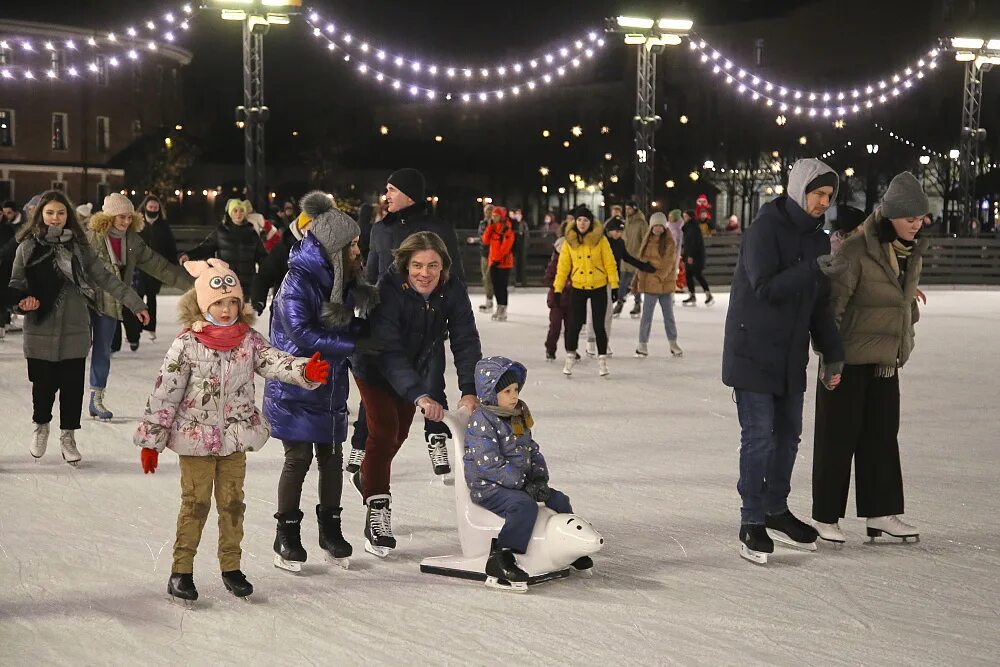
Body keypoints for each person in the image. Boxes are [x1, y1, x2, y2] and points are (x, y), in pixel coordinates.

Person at [134, 258, 330, 603]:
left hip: (235, 438)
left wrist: (305, 370)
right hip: (195, 440)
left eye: (232, 302)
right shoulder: (187, 344)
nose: (226, 310)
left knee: (232, 504)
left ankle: (231, 568)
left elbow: (274, 360)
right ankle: (181, 572)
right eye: (218, 303)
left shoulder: (248, 340)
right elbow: (165, 392)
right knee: (194, 504)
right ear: (203, 304)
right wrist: (152, 440)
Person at [722, 158, 845, 565]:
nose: (823, 203)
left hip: (791, 355)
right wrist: (810, 269)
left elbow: (819, 304)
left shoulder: (817, 239)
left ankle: (776, 509)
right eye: (819, 194)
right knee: (758, 437)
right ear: (799, 189)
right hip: (753, 351)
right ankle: (751, 519)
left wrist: (833, 353)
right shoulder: (764, 230)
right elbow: (763, 288)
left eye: (829, 197)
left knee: (789, 437)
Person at [263, 191, 380, 572]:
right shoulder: (297, 281)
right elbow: (302, 335)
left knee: (331, 459)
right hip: (297, 383)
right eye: (354, 244)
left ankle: (330, 530)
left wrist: (368, 328)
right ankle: (287, 535)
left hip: (329, 383)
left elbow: (345, 323)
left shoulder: (340, 277)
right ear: (335, 247)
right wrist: (357, 342)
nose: (359, 250)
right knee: (297, 459)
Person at [350, 231, 482, 558]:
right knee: (382, 433)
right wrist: (420, 395)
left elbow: (465, 340)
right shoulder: (388, 290)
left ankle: (367, 476)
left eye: (433, 265)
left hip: (415, 366)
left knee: (397, 436)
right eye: (418, 265)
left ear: (443, 266)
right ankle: (378, 507)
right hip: (375, 365)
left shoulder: (452, 290)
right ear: (405, 265)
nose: (425, 273)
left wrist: (469, 389)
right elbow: (390, 351)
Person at [812, 172, 928, 545]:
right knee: (837, 438)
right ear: (891, 216)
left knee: (881, 436)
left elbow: (895, 300)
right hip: (846, 360)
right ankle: (825, 517)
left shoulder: (909, 255)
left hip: (884, 359)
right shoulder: (856, 250)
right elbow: (833, 308)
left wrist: (907, 310)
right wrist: (830, 358)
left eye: (921, 217)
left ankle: (880, 513)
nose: (917, 224)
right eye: (910, 217)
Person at [7, 190, 149, 465]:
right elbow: (15, 283)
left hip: (75, 328)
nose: (55, 218)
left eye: (61, 213)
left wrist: (136, 304)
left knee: (72, 387)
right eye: (50, 213)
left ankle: (68, 436)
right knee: (43, 387)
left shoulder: (81, 249)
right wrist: (20, 303)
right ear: (41, 215)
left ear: (68, 216)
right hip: (40, 327)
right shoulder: (28, 247)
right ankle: (41, 426)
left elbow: (107, 279)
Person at [350, 169, 467, 478]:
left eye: (391, 189)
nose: (386, 196)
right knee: (375, 388)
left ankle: (436, 437)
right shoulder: (380, 230)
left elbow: (454, 278)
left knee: (432, 383)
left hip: (427, 322)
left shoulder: (438, 228)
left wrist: (448, 312)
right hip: (388, 323)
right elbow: (373, 276)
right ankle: (361, 442)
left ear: (408, 193)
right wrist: (364, 310)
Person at [464, 355, 591, 590]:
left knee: (559, 499)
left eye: (515, 390)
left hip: (518, 483)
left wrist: (540, 478)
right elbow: (489, 464)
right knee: (524, 506)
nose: (514, 396)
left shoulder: (516, 416)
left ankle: (568, 545)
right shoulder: (482, 421)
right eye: (507, 392)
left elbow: (531, 450)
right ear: (491, 393)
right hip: (489, 487)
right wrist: (523, 483)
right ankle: (502, 556)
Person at [85, 193, 193, 421]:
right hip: (85, 300)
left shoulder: (132, 241)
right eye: (120, 217)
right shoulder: (92, 238)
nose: (125, 222)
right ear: (109, 217)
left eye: (128, 217)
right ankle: (68, 394)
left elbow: (159, 266)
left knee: (103, 349)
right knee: (77, 350)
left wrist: (194, 286)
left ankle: (96, 398)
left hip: (113, 301)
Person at [553, 206, 618, 377]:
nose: (582, 223)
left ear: (590, 222)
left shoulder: (601, 240)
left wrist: (615, 285)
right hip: (578, 286)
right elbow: (563, 267)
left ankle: (602, 360)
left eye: (586, 220)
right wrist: (558, 289)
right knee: (574, 324)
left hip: (598, 286)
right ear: (575, 221)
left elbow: (610, 263)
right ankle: (570, 356)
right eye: (579, 220)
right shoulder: (569, 241)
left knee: (599, 325)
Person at [587, 218, 652, 356]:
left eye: (621, 231)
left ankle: (604, 343)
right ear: (609, 230)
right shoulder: (599, 241)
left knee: (608, 314)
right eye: (617, 231)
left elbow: (627, 257)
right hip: (595, 281)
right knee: (593, 312)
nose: (619, 234)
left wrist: (643, 266)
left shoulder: (620, 243)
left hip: (611, 281)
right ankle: (591, 342)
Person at [180, 198, 268, 299]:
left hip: (246, 284)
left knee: (243, 312)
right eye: (235, 210)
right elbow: (205, 247)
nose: (238, 213)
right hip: (226, 281)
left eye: (241, 210)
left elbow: (262, 257)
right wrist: (189, 255)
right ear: (230, 213)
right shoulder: (221, 232)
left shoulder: (252, 233)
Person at [631, 212, 683, 358]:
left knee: (669, 316)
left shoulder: (669, 241)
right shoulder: (646, 241)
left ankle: (673, 343)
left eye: (661, 225)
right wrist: (635, 281)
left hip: (664, 285)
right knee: (646, 316)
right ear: (652, 226)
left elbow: (668, 262)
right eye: (656, 225)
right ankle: (642, 344)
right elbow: (641, 263)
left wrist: (659, 277)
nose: (658, 228)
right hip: (649, 285)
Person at [134, 194, 180, 342]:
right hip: (139, 266)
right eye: (150, 207)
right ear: (145, 207)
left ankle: (151, 327)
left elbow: (170, 246)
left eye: (155, 207)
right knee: (138, 296)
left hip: (156, 267)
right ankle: (136, 327)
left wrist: (174, 264)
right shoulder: (137, 224)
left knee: (151, 297)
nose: (153, 209)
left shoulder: (163, 226)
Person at [250, 209, 312, 315]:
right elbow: (265, 275)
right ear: (301, 227)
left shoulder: (330, 250)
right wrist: (258, 299)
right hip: (285, 311)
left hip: (318, 314)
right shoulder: (285, 247)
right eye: (310, 227)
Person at [482, 205, 515, 322]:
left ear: (501, 216)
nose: (494, 217)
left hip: (503, 263)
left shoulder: (507, 229)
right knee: (495, 286)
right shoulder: (493, 227)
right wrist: (490, 227)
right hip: (493, 262)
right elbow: (485, 240)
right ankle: (498, 306)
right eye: (493, 215)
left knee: (502, 286)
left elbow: (505, 248)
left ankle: (503, 308)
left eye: (496, 216)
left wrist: (497, 259)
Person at [543, 231, 572, 362]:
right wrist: (559, 285)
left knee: (571, 327)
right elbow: (548, 278)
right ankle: (550, 349)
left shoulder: (573, 262)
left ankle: (571, 349)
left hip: (570, 300)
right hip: (556, 300)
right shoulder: (554, 263)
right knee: (555, 326)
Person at [617, 201, 646, 317]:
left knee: (636, 284)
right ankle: (619, 304)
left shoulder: (641, 223)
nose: (627, 211)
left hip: (636, 258)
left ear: (635, 209)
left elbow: (645, 240)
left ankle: (637, 304)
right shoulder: (625, 223)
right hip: (625, 258)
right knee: (622, 283)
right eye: (626, 208)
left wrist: (642, 256)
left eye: (629, 208)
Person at [681, 208, 714, 306]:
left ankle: (708, 294)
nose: (684, 218)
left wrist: (691, 255)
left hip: (695, 256)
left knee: (697, 274)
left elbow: (695, 243)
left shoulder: (694, 227)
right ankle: (692, 295)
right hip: (689, 255)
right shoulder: (687, 227)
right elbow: (687, 243)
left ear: (690, 217)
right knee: (689, 276)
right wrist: (685, 255)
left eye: (685, 216)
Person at [476, 203, 495, 312]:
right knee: (485, 277)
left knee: (492, 277)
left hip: (495, 254)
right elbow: (483, 238)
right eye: (487, 211)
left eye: (490, 211)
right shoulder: (482, 224)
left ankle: (497, 302)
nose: (488, 213)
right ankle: (489, 300)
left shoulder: (497, 224)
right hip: (485, 253)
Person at [511, 208, 530, 287]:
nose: (518, 216)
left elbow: (526, 235)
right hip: (515, 246)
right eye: (517, 214)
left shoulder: (524, 224)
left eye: (519, 214)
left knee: (522, 263)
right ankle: (515, 280)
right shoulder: (513, 224)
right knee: (515, 264)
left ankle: (522, 280)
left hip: (522, 246)